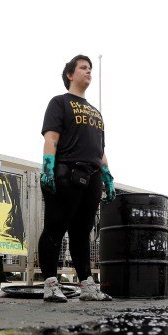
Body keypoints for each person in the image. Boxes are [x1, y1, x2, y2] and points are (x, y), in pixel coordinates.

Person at [38, 54, 114, 303]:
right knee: (55, 229)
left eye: (90, 68)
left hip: (91, 177)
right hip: (66, 172)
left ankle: (87, 285)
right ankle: (50, 283)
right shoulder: (59, 102)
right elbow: (51, 138)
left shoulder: (96, 112)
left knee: (82, 233)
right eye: (83, 68)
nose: (89, 71)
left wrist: (108, 175)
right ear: (70, 74)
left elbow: (99, 149)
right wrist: (48, 167)